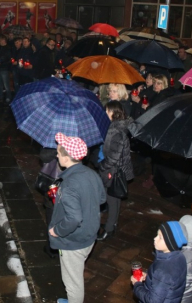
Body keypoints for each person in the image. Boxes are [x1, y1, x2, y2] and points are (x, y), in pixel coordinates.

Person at [49, 133, 106, 303]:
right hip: (90, 234)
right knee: (77, 271)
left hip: (73, 240)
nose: (57, 155)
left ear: (67, 158)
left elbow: (73, 218)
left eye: (59, 153)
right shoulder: (91, 173)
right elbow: (101, 199)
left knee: (73, 282)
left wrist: (57, 231)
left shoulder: (69, 183)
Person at [97, 101, 134, 240]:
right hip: (115, 169)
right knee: (115, 198)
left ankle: (109, 229)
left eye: (107, 111)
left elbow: (113, 157)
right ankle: (112, 223)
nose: (105, 113)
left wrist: (102, 166)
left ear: (113, 112)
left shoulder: (117, 131)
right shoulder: (116, 127)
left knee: (111, 199)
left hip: (112, 170)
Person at [132, 221, 188, 303]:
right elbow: (166, 283)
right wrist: (149, 277)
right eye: (157, 235)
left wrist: (137, 285)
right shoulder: (179, 256)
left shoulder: (163, 271)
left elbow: (153, 301)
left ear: (170, 243)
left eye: (160, 237)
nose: (155, 238)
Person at [0, 35, 12, 104]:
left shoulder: (8, 48)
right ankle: (0, 96)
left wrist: (1, 61)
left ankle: (8, 97)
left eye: (0, 40)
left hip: (4, 68)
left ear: (4, 40)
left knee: (6, 84)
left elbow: (7, 57)